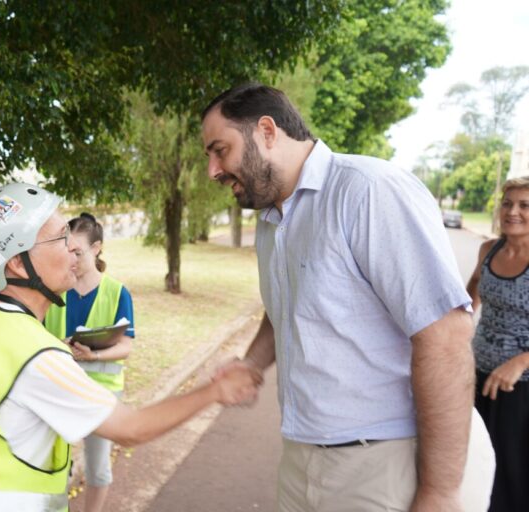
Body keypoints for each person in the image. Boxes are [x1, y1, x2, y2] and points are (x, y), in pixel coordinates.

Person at [201, 83, 495, 512]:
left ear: (266, 131)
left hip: (384, 463)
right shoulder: (271, 220)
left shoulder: (368, 191)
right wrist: (252, 361)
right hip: (300, 458)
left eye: (219, 149)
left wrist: (440, 493)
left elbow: (446, 335)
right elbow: (287, 303)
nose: (212, 170)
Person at [0, 182, 260, 512]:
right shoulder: (36, 356)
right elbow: (132, 429)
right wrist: (216, 389)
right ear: (17, 263)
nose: (73, 252)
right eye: (61, 239)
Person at [44, 212, 133, 512]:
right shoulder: (56, 288)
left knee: (97, 469)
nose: (71, 258)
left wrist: (93, 355)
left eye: (78, 252)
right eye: (67, 250)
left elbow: (126, 346)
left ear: (96, 249)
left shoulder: (118, 293)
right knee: (52, 466)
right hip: (59, 386)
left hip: (101, 392)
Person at [467, 176, 529, 511]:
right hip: (478, 375)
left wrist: (520, 362)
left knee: (514, 473)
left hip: (521, 389)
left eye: (524, 205)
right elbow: (467, 300)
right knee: (477, 463)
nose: (513, 211)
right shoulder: (488, 250)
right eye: (507, 203)